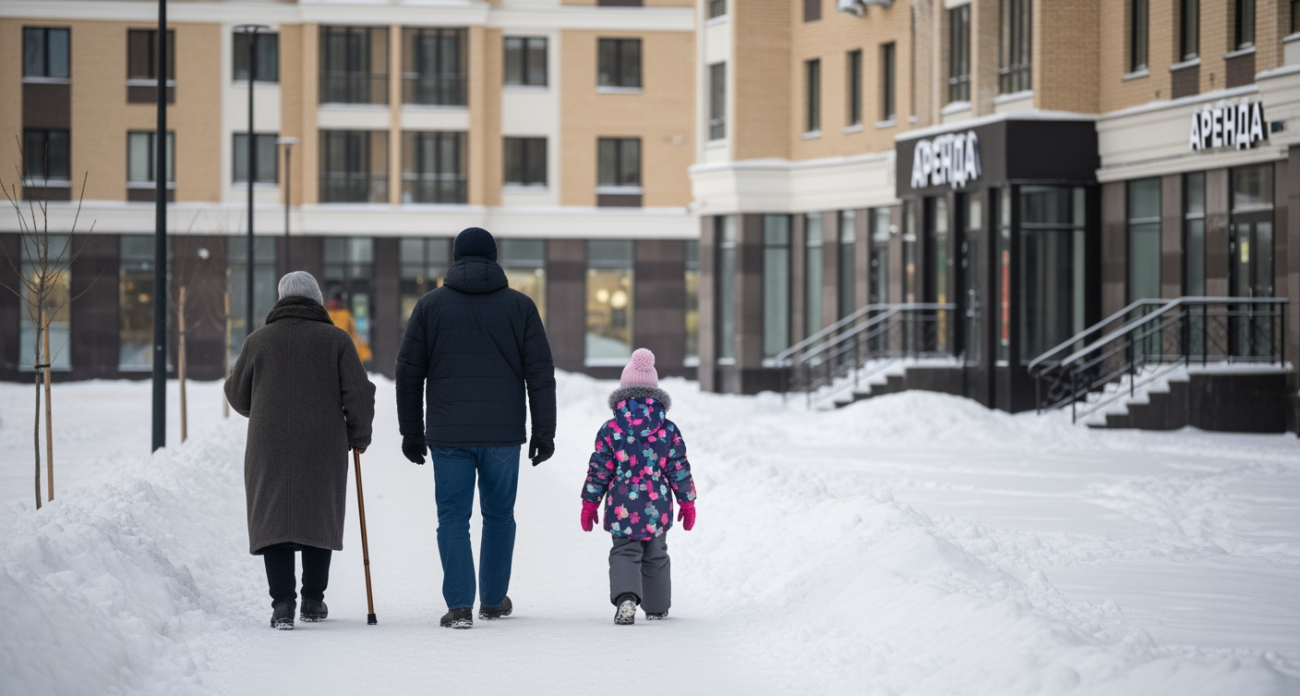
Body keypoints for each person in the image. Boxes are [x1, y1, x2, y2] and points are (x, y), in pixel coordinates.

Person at [396, 227, 556, 629]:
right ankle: (494, 600)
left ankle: (460, 606)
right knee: (500, 515)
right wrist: (544, 431)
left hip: (448, 435)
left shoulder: (430, 306)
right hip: (503, 434)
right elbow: (540, 373)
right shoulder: (520, 307)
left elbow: (408, 373)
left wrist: (411, 430)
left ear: (455, 258)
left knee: (452, 516)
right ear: (494, 257)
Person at [225, 271, 377, 630]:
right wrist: (359, 435)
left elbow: (236, 393)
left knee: (274, 514)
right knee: (317, 511)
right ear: (318, 299)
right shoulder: (336, 340)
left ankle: (281, 604)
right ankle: (312, 599)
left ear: (280, 299)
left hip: (268, 440)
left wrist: (260, 407)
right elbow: (359, 393)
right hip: (323, 439)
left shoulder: (257, 341)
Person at [579, 348, 697, 625]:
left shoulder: (611, 429)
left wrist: (590, 503)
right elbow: (679, 467)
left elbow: (599, 469)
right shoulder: (668, 429)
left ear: (623, 391)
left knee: (624, 551)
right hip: (657, 504)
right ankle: (657, 607)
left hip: (622, 504)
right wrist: (687, 502)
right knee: (656, 554)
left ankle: (626, 598)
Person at [327, 291, 373, 364]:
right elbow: (354, 334)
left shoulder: (324, 313)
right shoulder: (346, 315)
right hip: (341, 351)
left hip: (328, 351)